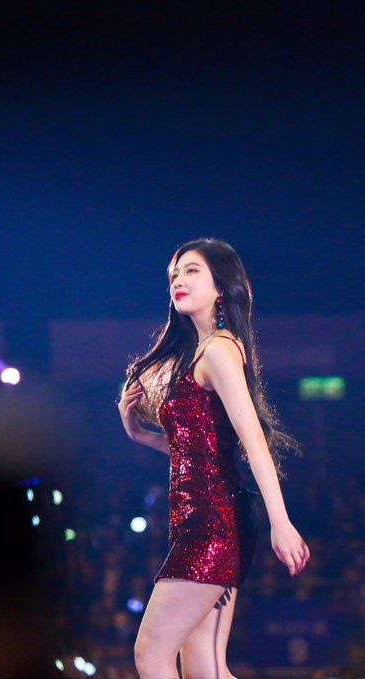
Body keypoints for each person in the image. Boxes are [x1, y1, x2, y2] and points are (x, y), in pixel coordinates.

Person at [117, 238, 310, 679]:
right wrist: (140, 435)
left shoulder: (219, 351)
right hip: (202, 521)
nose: (178, 281)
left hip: (212, 524)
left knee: (151, 654)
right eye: (174, 274)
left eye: (191, 271)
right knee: (206, 670)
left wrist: (281, 522)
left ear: (221, 285)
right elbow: (198, 453)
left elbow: (253, 440)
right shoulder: (201, 351)